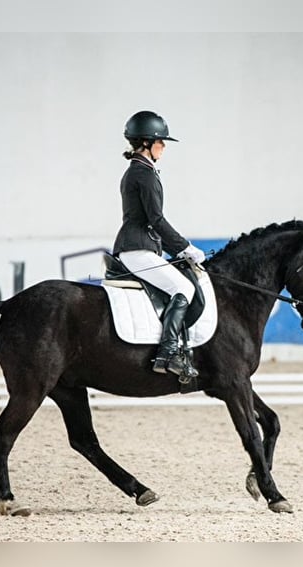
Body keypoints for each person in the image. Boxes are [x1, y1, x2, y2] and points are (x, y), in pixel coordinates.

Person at [112, 110, 206, 378]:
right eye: (161, 142)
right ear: (146, 143)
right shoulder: (145, 174)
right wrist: (185, 247)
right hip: (138, 247)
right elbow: (156, 220)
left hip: (138, 246)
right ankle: (168, 353)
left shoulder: (137, 171)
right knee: (184, 287)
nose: (163, 147)